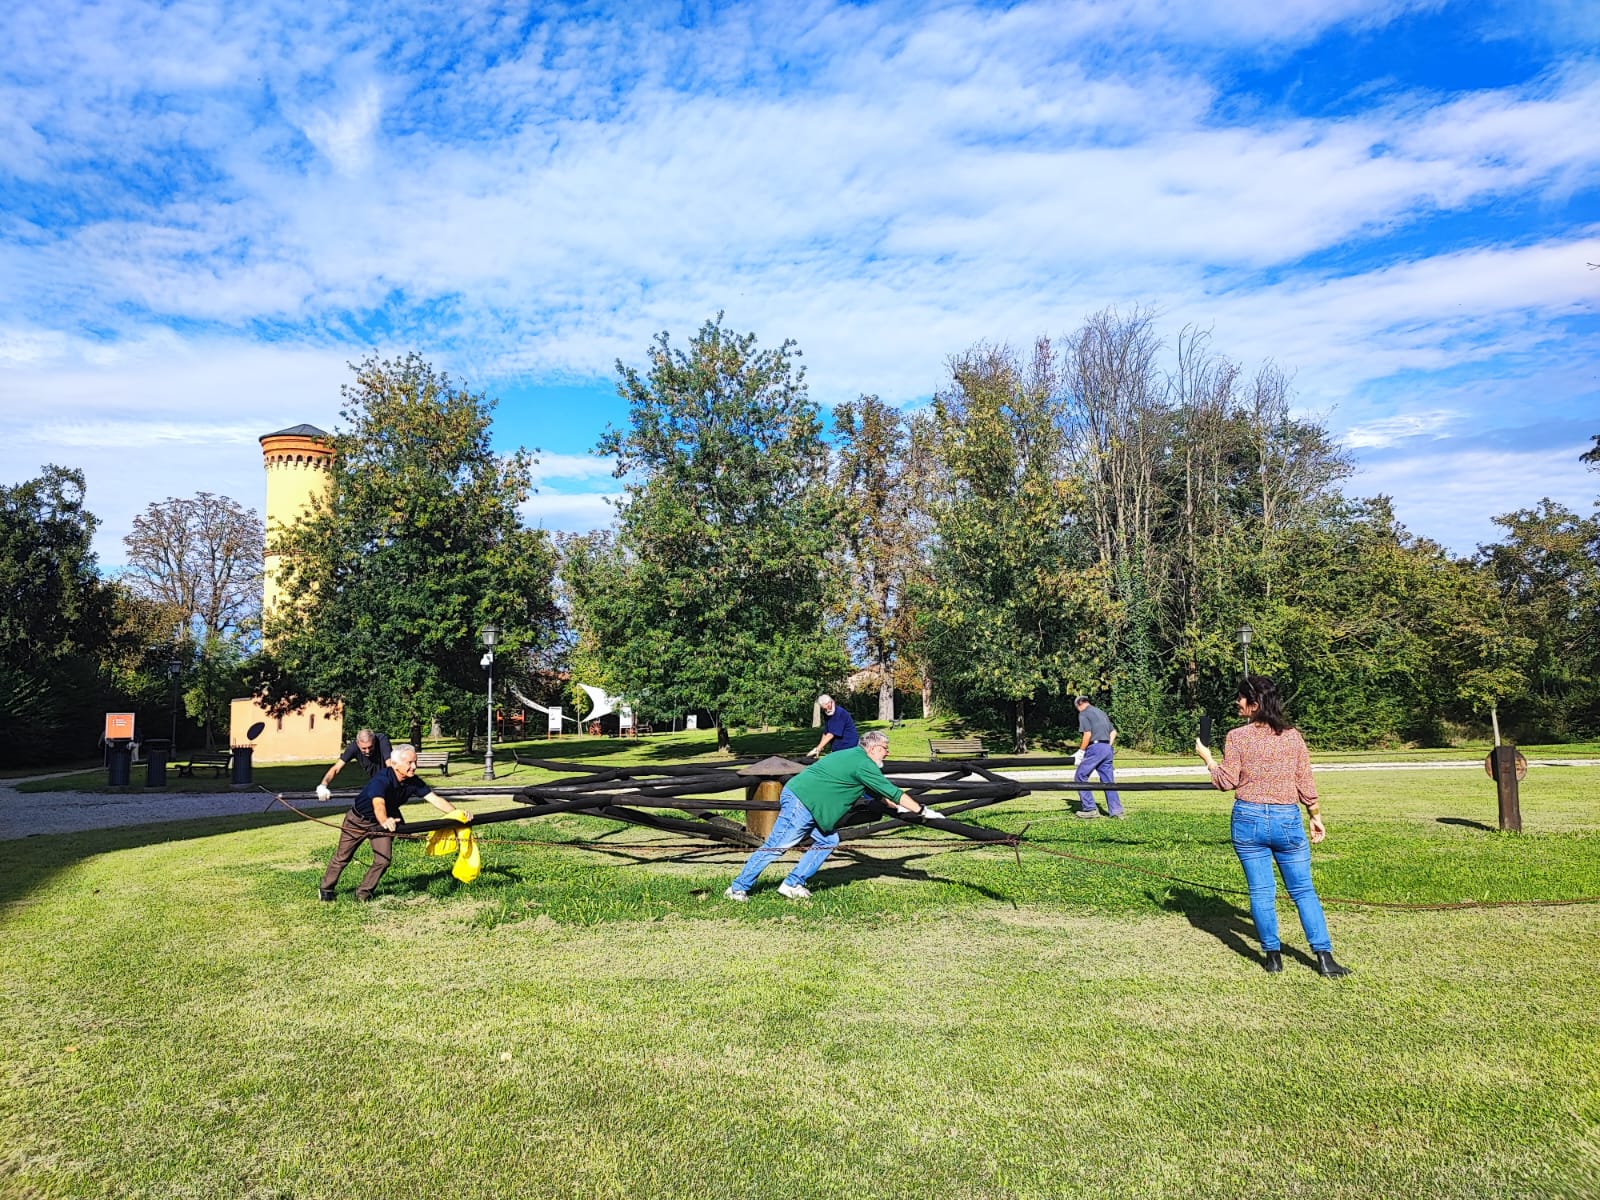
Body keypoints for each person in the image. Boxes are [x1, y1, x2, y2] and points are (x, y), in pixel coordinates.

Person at [1194, 676, 1350, 977]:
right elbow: (1305, 781)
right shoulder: (1292, 737)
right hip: (1286, 819)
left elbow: (1226, 781)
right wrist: (1315, 815)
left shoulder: (1237, 737)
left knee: (1261, 891)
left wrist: (1208, 759)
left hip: (1247, 818)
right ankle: (1324, 958)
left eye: (1241, 697)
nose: (1237, 702)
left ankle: (1273, 958)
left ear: (1254, 704)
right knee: (1303, 890)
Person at [726, 730, 924, 901]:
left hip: (809, 803)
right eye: (885, 748)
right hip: (802, 801)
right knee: (777, 845)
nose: (888, 752)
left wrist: (896, 807)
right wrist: (921, 810)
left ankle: (792, 884)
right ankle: (737, 888)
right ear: (873, 748)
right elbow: (892, 792)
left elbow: (877, 792)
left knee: (828, 840)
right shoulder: (863, 763)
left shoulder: (853, 756)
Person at [318, 743, 471, 902]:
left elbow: (435, 799)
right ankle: (326, 889)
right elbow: (378, 803)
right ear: (395, 764)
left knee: (383, 860)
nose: (414, 767)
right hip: (358, 821)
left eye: (415, 762)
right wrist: (385, 820)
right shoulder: (382, 779)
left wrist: (458, 814)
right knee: (343, 857)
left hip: (381, 824)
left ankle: (362, 894)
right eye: (409, 763)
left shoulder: (413, 781)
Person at [1073, 696, 1122, 818]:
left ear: (1079, 705)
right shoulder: (1101, 712)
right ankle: (1116, 811)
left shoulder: (1084, 713)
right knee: (1108, 781)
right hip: (1107, 748)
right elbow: (1113, 732)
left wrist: (1081, 751)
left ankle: (1090, 809)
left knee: (1080, 776)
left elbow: (1087, 734)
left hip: (1095, 748)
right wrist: (1107, 746)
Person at [315, 728, 394, 801]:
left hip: (391, 778)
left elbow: (389, 764)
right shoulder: (353, 748)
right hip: (377, 781)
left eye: (370, 747)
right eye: (364, 748)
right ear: (358, 744)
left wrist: (391, 782)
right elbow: (336, 768)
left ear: (374, 741)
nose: (367, 751)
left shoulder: (382, 740)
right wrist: (323, 786)